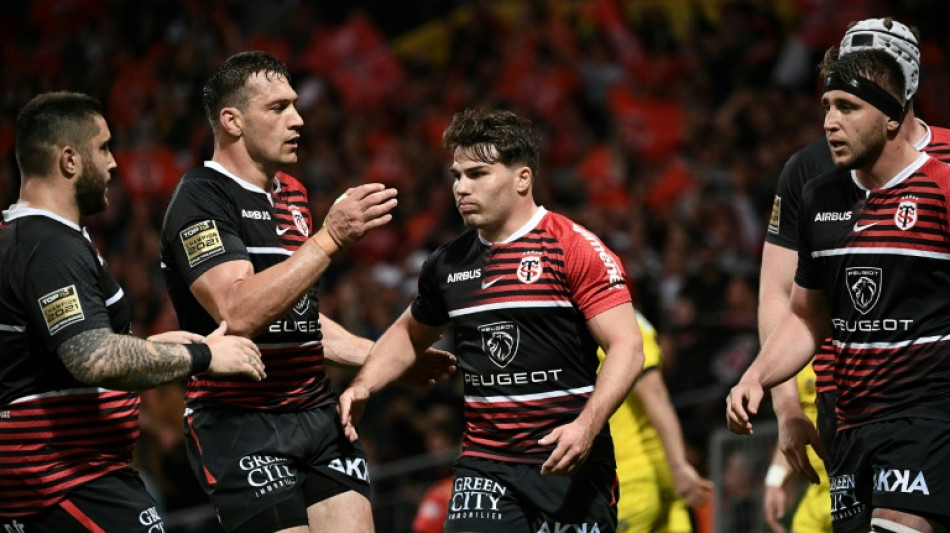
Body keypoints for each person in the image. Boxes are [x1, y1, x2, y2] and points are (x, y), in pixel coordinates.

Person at [159, 51, 452, 533]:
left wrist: (384, 359)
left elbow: (298, 319)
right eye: (278, 108)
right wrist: (330, 238)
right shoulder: (201, 197)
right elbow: (239, 312)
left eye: (295, 104)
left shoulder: (293, 193)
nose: (297, 119)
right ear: (232, 121)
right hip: (241, 422)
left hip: (315, 410)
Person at [338, 107, 644, 532]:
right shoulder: (447, 265)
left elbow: (628, 347)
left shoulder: (574, 249)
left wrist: (586, 426)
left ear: (522, 178)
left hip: (569, 460)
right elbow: (409, 333)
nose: (461, 187)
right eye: (456, 176)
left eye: (478, 174)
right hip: (486, 465)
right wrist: (364, 385)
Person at [0, 91, 264, 531]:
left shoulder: (24, 238)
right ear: (69, 160)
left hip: (66, 479)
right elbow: (92, 358)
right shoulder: (50, 248)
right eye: (103, 147)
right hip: (67, 480)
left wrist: (158, 346)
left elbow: (51, 360)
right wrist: (203, 357)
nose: (113, 163)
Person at [729, 47, 950, 532]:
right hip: (850, 425)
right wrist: (756, 377)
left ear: (892, 117)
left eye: (847, 107)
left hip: (928, 417)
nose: (830, 122)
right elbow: (807, 316)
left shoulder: (943, 189)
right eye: (827, 106)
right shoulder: (819, 198)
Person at [602, 311, 712, 532]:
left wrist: (679, 465)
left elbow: (655, 393)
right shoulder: (627, 317)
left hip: (631, 480)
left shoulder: (613, 321)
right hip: (661, 473)